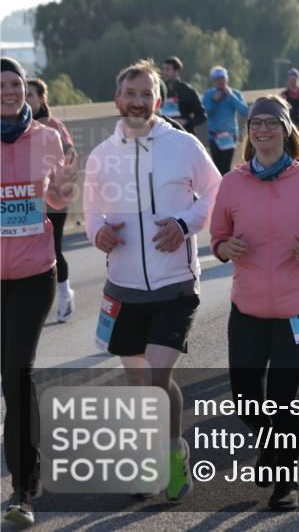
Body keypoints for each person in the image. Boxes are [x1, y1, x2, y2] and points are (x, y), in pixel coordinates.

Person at [83, 58, 222, 504]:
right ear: (117, 100)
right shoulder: (102, 155)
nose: (138, 101)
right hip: (123, 285)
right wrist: (97, 232)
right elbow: (90, 211)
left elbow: (216, 192)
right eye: (131, 93)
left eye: (147, 94)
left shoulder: (182, 147)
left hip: (175, 283)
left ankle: (171, 454)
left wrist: (184, 223)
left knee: (158, 376)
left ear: (158, 101)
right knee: (139, 383)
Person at [210, 95, 299, 511]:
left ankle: (288, 483)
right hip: (248, 307)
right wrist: (224, 247)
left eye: (272, 123)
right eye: (256, 123)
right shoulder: (232, 183)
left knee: (283, 399)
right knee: (245, 398)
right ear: (248, 132)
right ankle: (271, 443)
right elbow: (216, 239)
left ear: (287, 129)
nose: (263, 130)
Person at [1, 58, 75, 526]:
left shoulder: (46, 137)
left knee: (16, 372)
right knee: (10, 376)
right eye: (1, 86)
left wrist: (65, 185)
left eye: (15, 84)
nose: (9, 92)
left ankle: (22, 489)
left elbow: (57, 202)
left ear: (27, 90)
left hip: (33, 273)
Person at [25, 78, 78, 322]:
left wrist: (53, 176)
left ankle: (65, 296)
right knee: (28, 250)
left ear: (42, 98)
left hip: (53, 197)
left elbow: (69, 153)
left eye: (30, 95)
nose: (25, 99)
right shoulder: (14, 126)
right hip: (27, 198)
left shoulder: (53, 125)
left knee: (54, 247)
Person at [202, 66, 250, 175]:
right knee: (217, 168)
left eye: (222, 78)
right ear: (214, 81)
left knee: (226, 167)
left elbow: (245, 111)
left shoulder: (235, 93)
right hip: (214, 136)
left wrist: (231, 96)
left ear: (227, 79)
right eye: (217, 79)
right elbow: (204, 113)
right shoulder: (209, 94)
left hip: (230, 136)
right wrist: (214, 101)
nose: (220, 82)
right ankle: (218, 190)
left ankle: (227, 189)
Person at [160, 56, 207, 135]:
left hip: (184, 134)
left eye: (168, 69)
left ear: (177, 71)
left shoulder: (188, 91)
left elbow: (201, 116)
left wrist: (186, 121)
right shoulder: (159, 90)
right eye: (163, 69)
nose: (164, 72)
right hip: (164, 134)